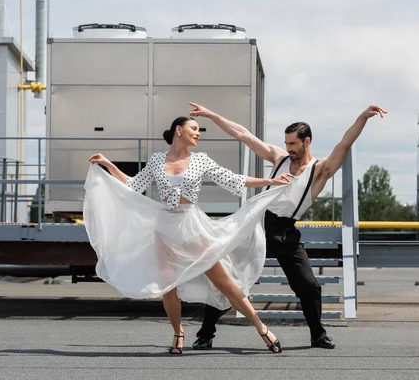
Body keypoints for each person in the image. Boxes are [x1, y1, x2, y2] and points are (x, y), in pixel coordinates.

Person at [83, 116, 296, 355]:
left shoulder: (200, 160)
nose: (198, 133)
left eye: (198, 130)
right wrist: (108, 165)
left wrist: (271, 181)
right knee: (168, 288)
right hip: (163, 229)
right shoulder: (156, 160)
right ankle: (178, 333)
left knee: (224, 283)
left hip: (192, 227)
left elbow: (233, 180)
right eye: (193, 128)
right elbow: (133, 185)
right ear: (178, 130)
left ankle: (262, 328)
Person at [189, 102, 387, 350]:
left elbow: (344, 144)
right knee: (230, 280)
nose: (288, 149)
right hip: (258, 226)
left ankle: (318, 335)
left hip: (285, 232)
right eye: (286, 144)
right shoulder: (279, 158)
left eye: (293, 144)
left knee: (309, 286)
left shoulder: (320, 170)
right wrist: (212, 114)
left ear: (307, 142)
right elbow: (244, 135)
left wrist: (362, 118)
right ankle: (205, 334)